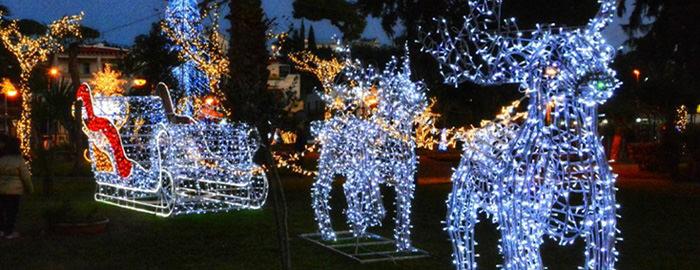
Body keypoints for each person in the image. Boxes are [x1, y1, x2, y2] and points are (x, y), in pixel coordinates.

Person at [0, 136, 32, 239]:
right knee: (12, 212)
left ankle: (1, 230)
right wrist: (30, 189)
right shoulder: (19, 161)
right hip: (15, 191)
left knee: (2, 210)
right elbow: (26, 177)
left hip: (1, 189)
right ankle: (9, 232)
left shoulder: (2, 160)